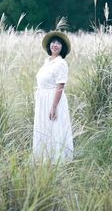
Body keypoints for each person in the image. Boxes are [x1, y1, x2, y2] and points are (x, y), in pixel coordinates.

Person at [32, 31, 74, 162]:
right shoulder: (48, 61)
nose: (55, 45)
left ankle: (58, 160)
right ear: (49, 45)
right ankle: (44, 157)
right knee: (44, 128)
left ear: (62, 47)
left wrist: (53, 107)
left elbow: (60, 86)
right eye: (53, 42)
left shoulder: (61, 63)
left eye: (59, 43)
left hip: (53, 99)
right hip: (43, 99)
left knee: (54, 128)